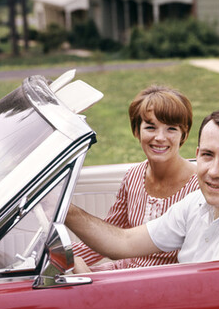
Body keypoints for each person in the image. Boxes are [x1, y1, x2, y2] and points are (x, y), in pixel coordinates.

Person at [66, 108, 219, 266]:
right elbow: (125, 242)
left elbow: (204, 306)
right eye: (208, 155)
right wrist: (63, 208)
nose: (213, 171)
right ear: (197, 154)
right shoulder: (197, 202)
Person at [71, 85, 199, 273]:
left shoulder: (198, 186)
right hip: (127, 271)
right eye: (150, 127)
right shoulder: (133, 176)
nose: (160, 137)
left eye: (171, 129)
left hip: (168, 279)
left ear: (184, 134)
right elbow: (107, 235)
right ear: (137, 131)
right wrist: (61, 256)